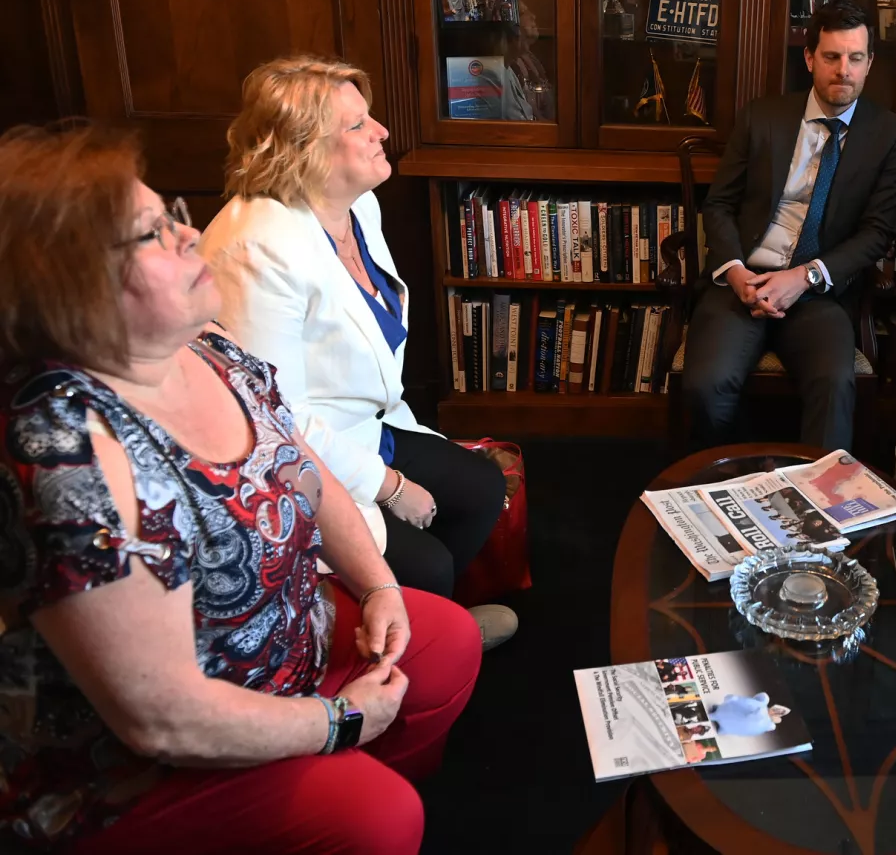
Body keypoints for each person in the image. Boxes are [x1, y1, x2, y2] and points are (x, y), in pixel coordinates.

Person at [0, 123, 481, 853]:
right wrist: (338, 722)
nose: (190, 237)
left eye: (174, 215)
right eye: (152, 234)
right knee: (377, 818)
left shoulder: (207, 345)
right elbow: (161, 717)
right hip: (143, 768)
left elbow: (303, 474)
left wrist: (379, 584)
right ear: (67, 286)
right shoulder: (68, 456)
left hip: (288, 652)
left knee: (448, 639)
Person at [200, 56, 518, 649]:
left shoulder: (356, 206)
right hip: (296, 459)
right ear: (303, 151)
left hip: (365, 425)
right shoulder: (256, 248)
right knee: (426, 565)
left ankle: (430, 623)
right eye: (357, 125)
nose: (383, 132)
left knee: (479, 491)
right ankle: (413, 644)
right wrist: (390, 488)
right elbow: (275, 421)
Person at [688, 0, 896, 450]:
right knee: (705, 388)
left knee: (834, 386)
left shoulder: (889, 134)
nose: (843, 70)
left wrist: (804, 277)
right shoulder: (762, 116)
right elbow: (719, 204)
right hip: (743, 280)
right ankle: (730, 488)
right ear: (810, 58)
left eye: (855, 58)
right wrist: (735, 273)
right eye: (831, 56)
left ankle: (820, 508)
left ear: (869, 64)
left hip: (819, 293)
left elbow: (877, 231)